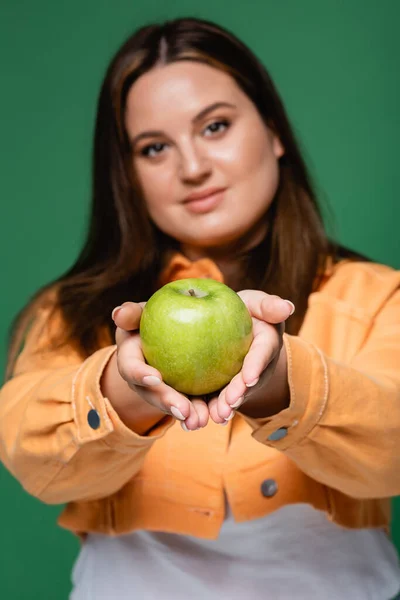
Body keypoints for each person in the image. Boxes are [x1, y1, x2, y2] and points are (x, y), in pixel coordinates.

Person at [1, 16, 400, 600]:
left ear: (273, 130)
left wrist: (281, 383)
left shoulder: (377, 295)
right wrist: (122, 389)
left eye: (215, 126)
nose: (191, 168)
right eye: (154, 148)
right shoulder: (76, 311)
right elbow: (27, 453)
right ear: (129, 177)